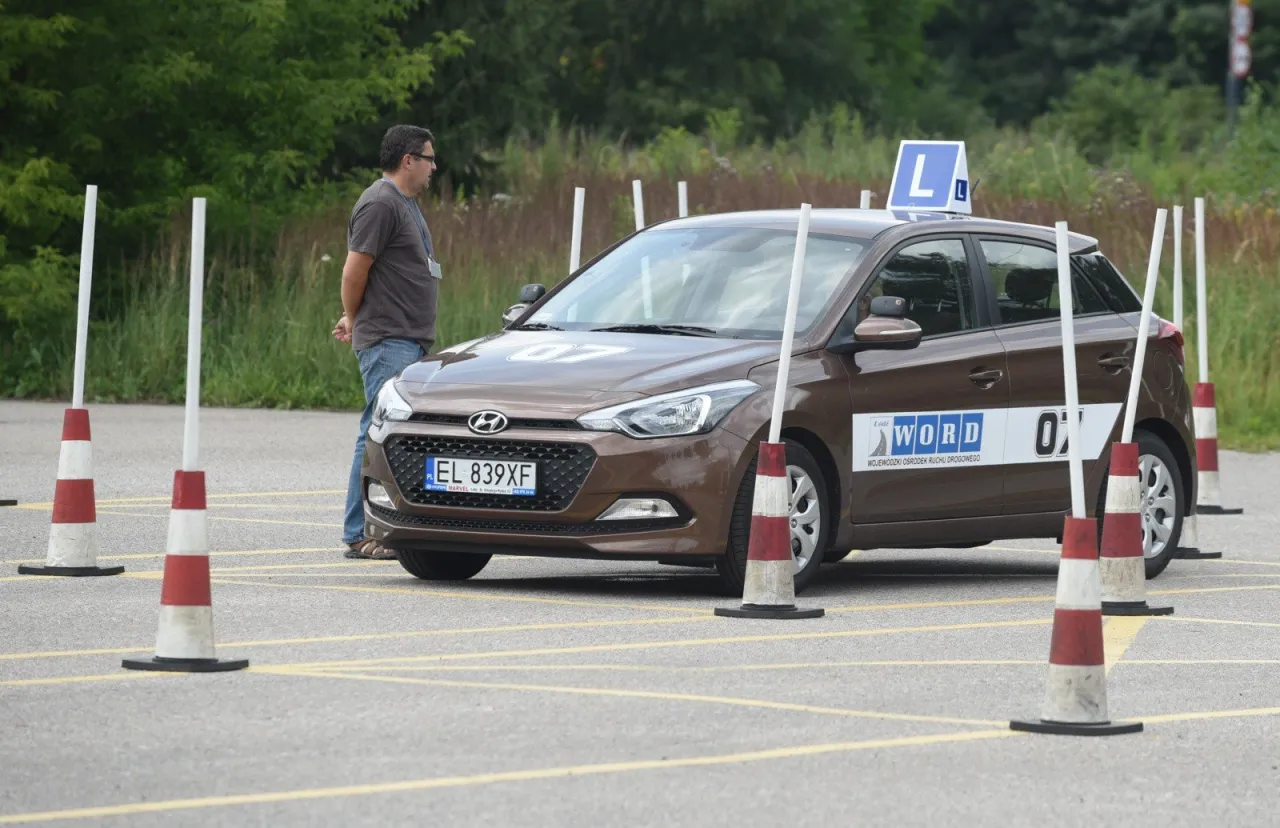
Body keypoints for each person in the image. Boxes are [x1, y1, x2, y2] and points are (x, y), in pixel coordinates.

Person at [332, 125, 441, 559]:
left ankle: (398, 525)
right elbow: (354, 271)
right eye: (430, 158)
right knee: (377, 432)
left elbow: (386, 273)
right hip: (388, 340)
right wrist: (357, 318)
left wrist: (350, 316)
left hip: (407, 339)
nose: (435, 167)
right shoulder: (379, 202)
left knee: (399, 434)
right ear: (408, 160)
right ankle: (360, 532)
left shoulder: (406, 204)